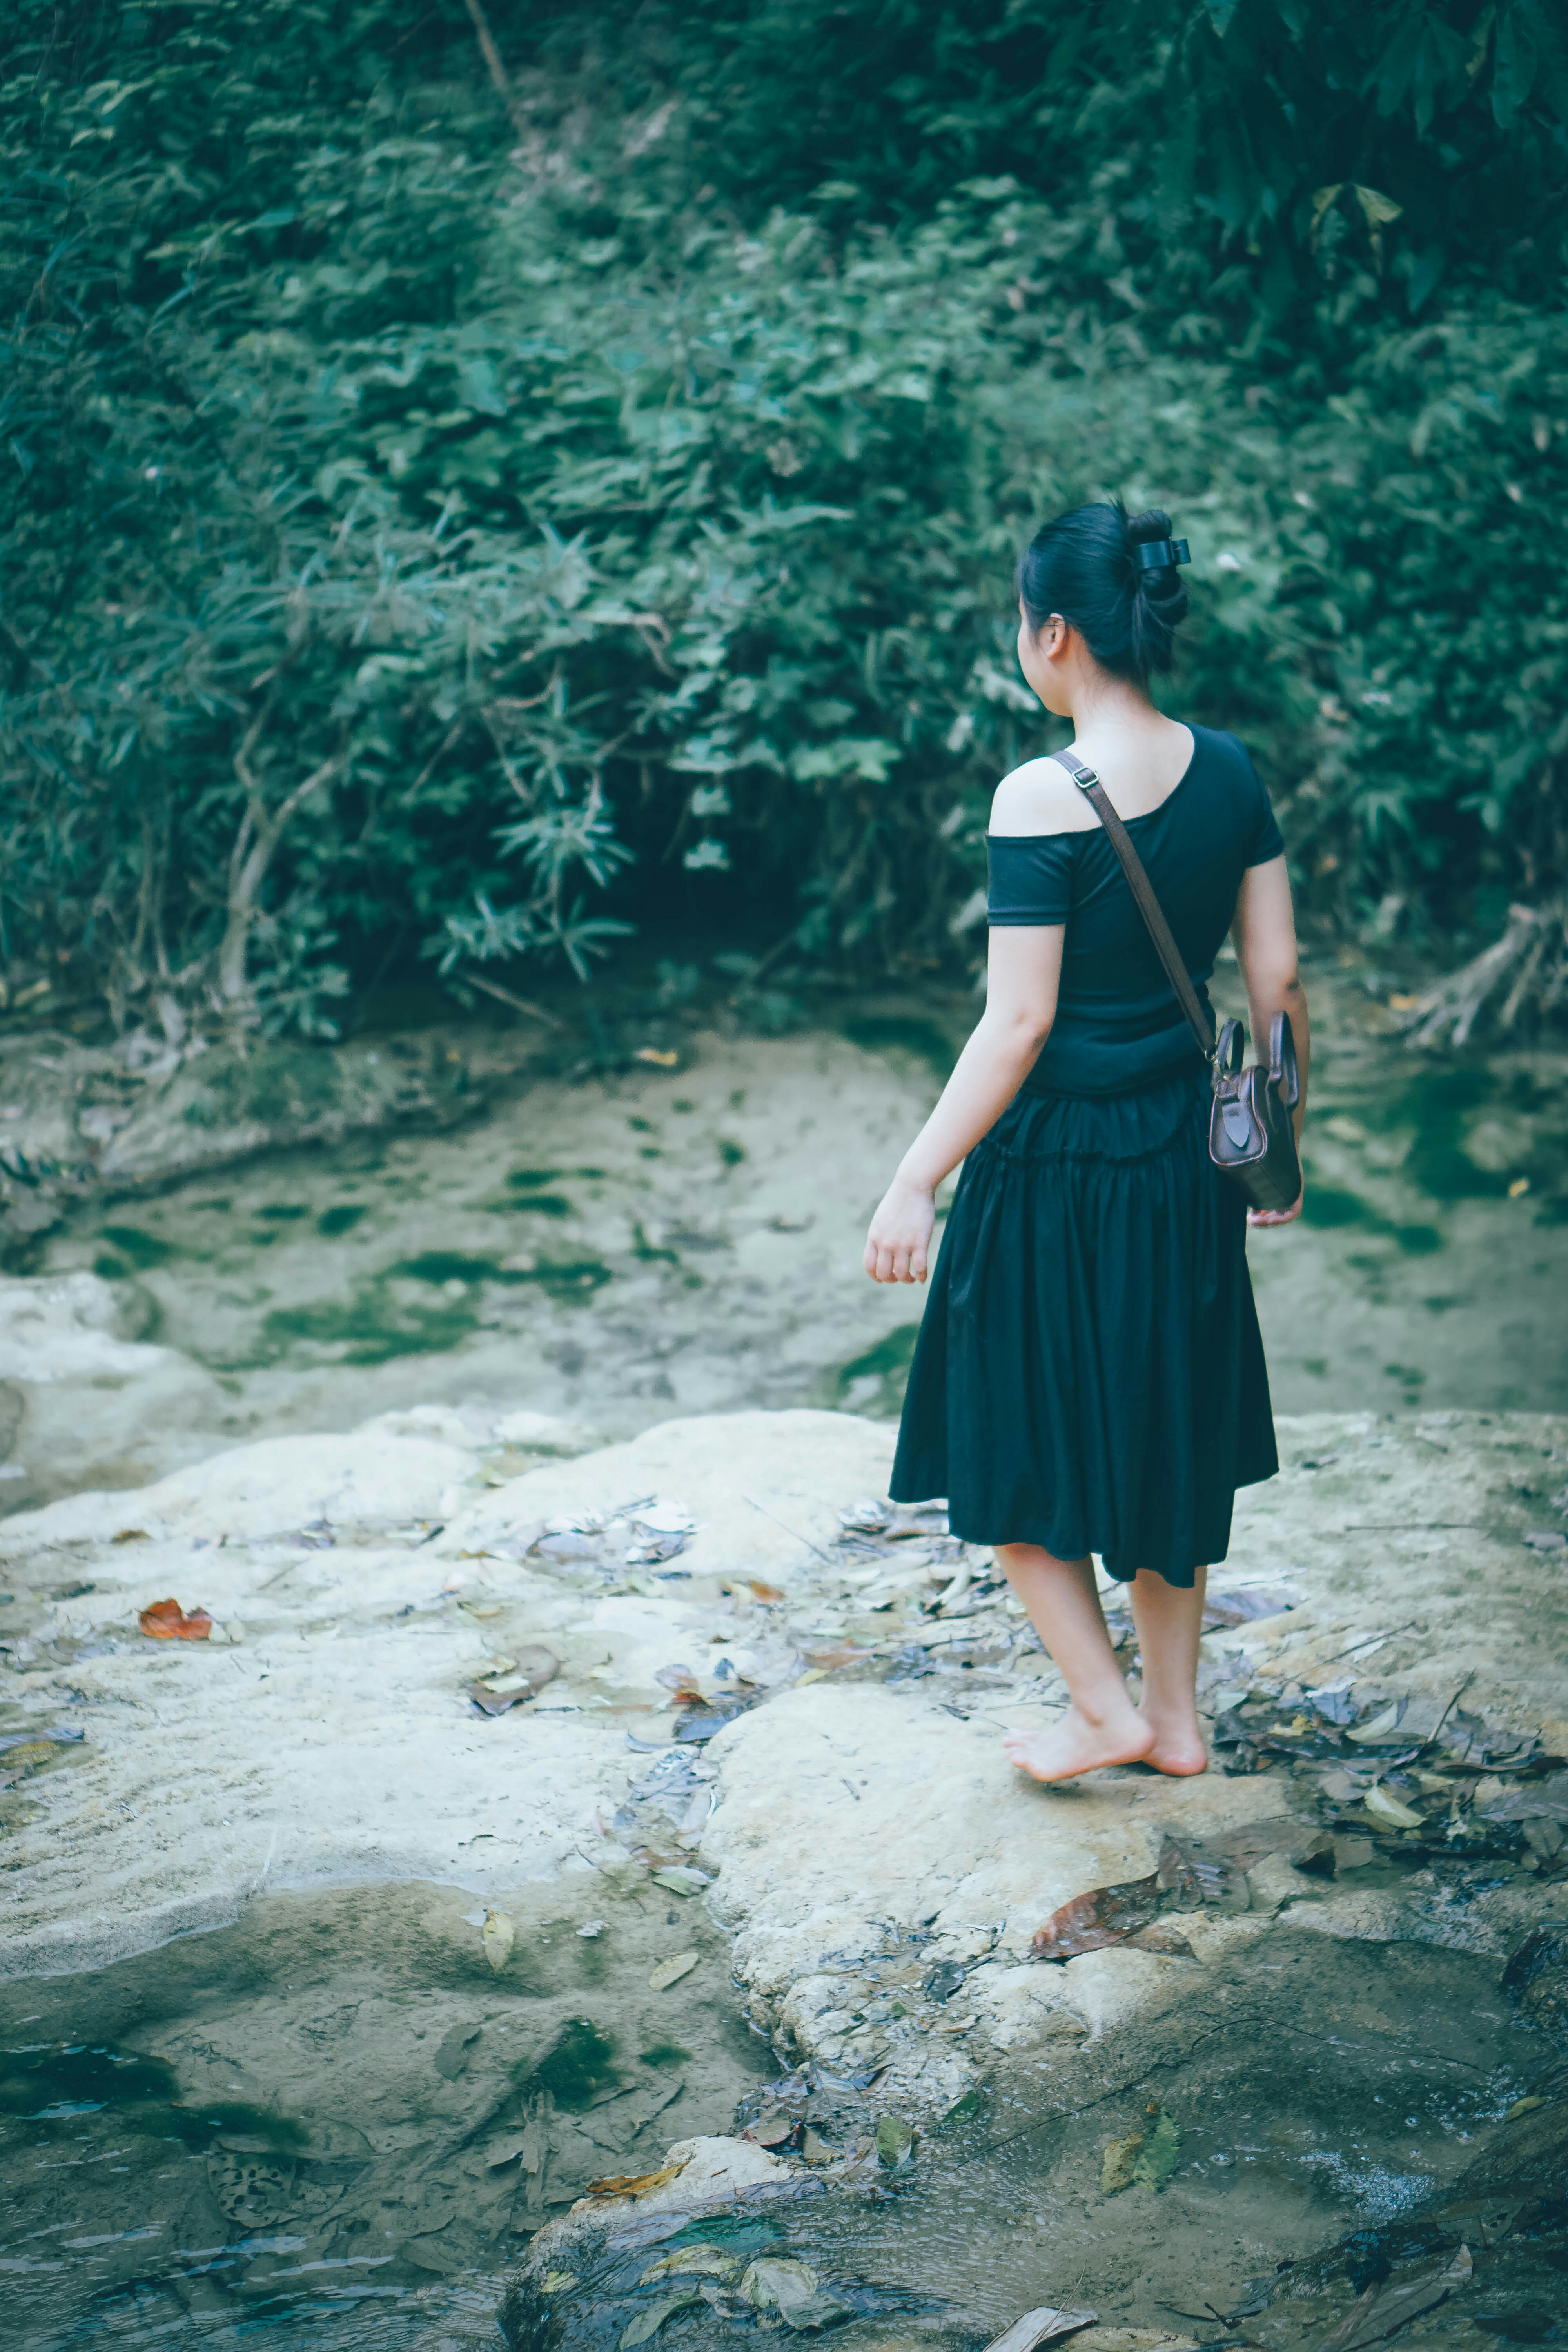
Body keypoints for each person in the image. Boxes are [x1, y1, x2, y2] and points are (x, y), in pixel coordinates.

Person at [863, 500, 1308, 1784]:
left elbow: (1019, 1022)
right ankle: (1175, 1720)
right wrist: (1282, 1146)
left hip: (1053, 1164)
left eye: (1021, 620)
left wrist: (914, 1178)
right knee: (1169, 1423)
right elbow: (1276, 982)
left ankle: (1102, 1710)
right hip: (1184, 1153)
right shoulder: (1229, 770)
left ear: (1053, 632)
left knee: (1002, 1426)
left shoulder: (1038, 795)